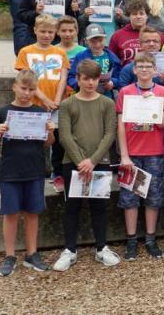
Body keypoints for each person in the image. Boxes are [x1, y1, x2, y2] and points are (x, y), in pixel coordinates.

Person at [53, 59, 120, 271]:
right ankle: (69, 250)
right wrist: (82, 161)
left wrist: (92, 161)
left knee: (98, 207)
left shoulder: (107, 103)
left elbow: (109, 134)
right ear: (78, 79)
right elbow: (65, 136)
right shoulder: (67, 104)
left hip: (100, 162)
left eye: (94, 78)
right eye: (86, 79)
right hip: (73, 163)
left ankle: (101, 248)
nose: (90, 83)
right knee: (72, 207)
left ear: (99, 79)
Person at [0, 70, 55, 276]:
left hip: (34, 169)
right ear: (14, 87)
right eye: (23, 88)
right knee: (11, 213)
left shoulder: (40, 112)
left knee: (32, 213)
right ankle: (9, 255)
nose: (27, 93)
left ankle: (32, 253)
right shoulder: (2, 112)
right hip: (10, 171)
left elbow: (48, 143)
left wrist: (50, 132)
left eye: (31, 89)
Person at [116, 52, 164, 260]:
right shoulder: (126, 92)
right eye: (140, 66)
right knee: (130, 198)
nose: (145, 69)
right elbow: (120, 125)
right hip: (131, 153)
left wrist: (151, 104)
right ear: (134, 69)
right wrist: (124, 155)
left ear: (155, 70)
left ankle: (150, 239)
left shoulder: (163, 91)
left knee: (153, 198)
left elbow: (162, 123)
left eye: (149, 66)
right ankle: (131, 240)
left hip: (154, 153)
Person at [14, 14, 70, 192]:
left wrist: (56, 100)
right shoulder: (26, 52)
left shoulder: (60, 53)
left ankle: (57, 174)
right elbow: (26, 80)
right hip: (32, 104)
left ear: (55, 33)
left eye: (50, 32)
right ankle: (29, 173)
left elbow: (63, 78)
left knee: (57, 140)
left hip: (56, 105)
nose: (47, 35)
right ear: (35, 30)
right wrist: (45, 99)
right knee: (31, 140)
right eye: (43, 31)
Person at [68, 24, 121, 99]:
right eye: (93, 41)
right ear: (86, 41)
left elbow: (118, 76)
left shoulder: (112, 57)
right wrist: (79, 83)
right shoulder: (80, 57)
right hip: (85, 97)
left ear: (105, 38)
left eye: (100, 40)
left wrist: (112, 82)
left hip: (106, 97)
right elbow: (71, 77)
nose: (97, 45)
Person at [117, 26, 164, 94]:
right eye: (147, 41)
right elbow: (122, 90)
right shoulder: (130, 68)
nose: (151, 44)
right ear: (140, 44)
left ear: (160, 44)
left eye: (155, 41)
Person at [109, 0, 156, 66]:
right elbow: (112, 62)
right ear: (129, 16)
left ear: (147, 16)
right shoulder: (117, 36)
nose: (138, 16)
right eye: (134, 14)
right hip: (125, 72)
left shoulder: (156, 35)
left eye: (141, 13)